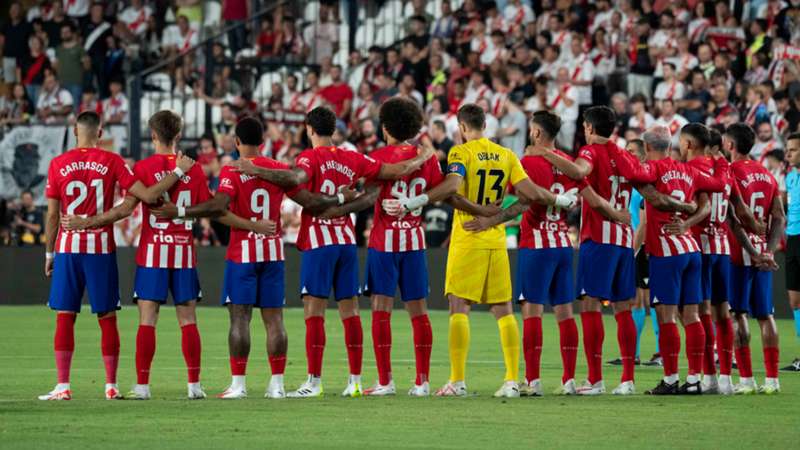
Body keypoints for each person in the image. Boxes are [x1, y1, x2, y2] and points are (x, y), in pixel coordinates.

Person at [229, 106, 436, 398]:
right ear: (334, 130)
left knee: (314, 312)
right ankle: (355, 381)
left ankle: (314, 381)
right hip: (346, 240)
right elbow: (391, 176)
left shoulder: (308, 157)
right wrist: (424, 156)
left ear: (309, 129)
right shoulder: (353, 158)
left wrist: (256, 169)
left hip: (318, 242)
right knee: (350, 312)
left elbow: (294, 180)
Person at [385, 104, 578, 398]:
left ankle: (457, 382)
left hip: (468, 236)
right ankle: (513, 380)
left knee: (459, 306)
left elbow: (451, 187)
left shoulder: (461, 153)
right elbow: (530, 195)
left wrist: (414, 202)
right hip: (496, 239)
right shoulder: (507, 154)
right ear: (485, 124)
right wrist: (561, 201)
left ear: (462, 128)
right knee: (503, 309)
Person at [61, 111, 245, 400]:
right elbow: (212, 208)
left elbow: (124, 209)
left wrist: (87, 222)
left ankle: (143, 387)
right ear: (179, 136)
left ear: (154, 135)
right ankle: (194, 386)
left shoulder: (144, 168)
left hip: (152, 256)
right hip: (184, 253)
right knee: (188, 320)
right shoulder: (194, 169)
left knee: (147, 319)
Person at [534, 107, 694, 396]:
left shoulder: (591, 152)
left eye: (585, 127)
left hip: (598, 238)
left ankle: (595, 380)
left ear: (589, 128)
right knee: (623, 309)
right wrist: (681, 207)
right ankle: (627, 380)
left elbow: (581, 172)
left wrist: (546, 152)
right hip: (624, 241)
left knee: (591, 307)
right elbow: (649, 192)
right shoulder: (626, 155)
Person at [464, 111, 625, 395]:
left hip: (536, 245)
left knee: (532, 312)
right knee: (565, 313)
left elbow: (522, 204)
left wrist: (491, 219)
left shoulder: (527, 162)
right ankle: (568, 380)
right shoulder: (569, 163)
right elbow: (593, 200)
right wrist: (619, 215)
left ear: (537, 133)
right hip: (563, 244)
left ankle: (533, 381)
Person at [39, 111, 195, 401]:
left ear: (75, 131)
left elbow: (51, 214)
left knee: (65, 315)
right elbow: (146, 197)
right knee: (107, 317)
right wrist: (177, 172)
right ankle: (111, 385)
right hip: (101, 249)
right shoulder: (112, 162)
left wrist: (50, 253)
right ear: (100, 133)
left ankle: (62, 386)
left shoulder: (57, 164)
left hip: (69, 248)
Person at [150, 117, 293, 399]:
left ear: (237, 142)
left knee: (240, 319)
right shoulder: (278, 168)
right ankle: (277, 385)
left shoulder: (231, 170)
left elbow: (218, 207)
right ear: (262, 143)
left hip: (242, 254)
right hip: (273, 251)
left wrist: (178, 212)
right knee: (275, 319)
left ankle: (238, 385)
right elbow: (299, 184)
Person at [608, 125, 726, 395]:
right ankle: (695, 379)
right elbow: (719, 184)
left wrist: (613, 147)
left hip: (665, 252)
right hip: (691, 249)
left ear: (648, 148)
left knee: (666, 316)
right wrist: (719, 160)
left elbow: (631, 172)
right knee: (692, 315)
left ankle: (671, 379)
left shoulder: (652, 169)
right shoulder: (689, 170)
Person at [347, 98, 444, 396]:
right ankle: (423, 381)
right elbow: (439, 191)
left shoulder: (378, 156)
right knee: (419, 312)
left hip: (383, 242)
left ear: (386, 126)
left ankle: (386, 381)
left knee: (381, 310)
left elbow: (362, 187)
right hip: (415, 241)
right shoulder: (427, 157)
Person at [678, 124, 762, 394]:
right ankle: (726, 378)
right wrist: (759, 234)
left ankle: (710, 377)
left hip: (699, 246)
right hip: (723, 247)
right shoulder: (724, 171)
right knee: (722, 312)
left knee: (697, 312)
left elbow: (695, 207)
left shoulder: (690, 170)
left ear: (690, 144)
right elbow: (742, 212)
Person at [725, 123, 785, 395]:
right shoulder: (768, 176)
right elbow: (779, 217)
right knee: (766, 315)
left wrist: (752, 253)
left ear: (730, 145)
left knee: (738, 314)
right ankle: (772, 380)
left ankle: (747, 380)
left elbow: (734, 220)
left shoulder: (730, 173)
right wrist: (768, 252)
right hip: (763, 253)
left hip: (739, 252)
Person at [783, 133, 800, 372]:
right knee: (795, 300)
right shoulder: (789, 178)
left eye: (793, 150)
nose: (788, 154)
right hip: (792, 239)